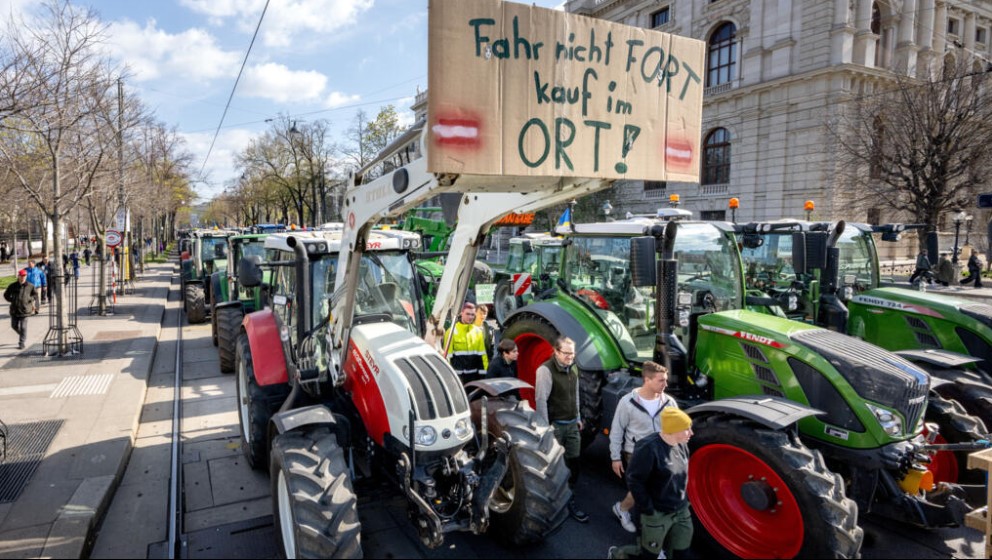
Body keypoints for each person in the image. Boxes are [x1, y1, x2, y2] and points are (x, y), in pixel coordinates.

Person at [608, 407, 694, 560]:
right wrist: (649, 509)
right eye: (686, 429)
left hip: (681, 511)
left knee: (682, 553)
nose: (691, 433)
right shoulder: (648, 448)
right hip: (657, 513)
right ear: (673, 429)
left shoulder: (682, 445)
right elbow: (635, 481)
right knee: (647, 555)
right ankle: (617, 555)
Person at [609, 362, 679, 534]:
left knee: (654, 488)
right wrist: (615, 457)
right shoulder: (627, 402)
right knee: (642, 489)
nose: (666, 384)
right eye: (661, 380)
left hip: (661, 452)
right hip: (636, 453)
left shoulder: (669, 402)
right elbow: (617, 430)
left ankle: (629, 512)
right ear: (647, 380)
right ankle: (626, 512)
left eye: (666, 380)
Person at [535, 336, 589, 523]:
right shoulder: (545, 370)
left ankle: (569, 497)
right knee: (555, 466)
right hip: (556, 426)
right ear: (556, 351)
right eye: (566, 353)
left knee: (574, 463)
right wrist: (545, 428)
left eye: (572, 354)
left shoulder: (573, 368)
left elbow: (575, 395)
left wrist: (578, 418)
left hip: (572, 424)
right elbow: (541, 400)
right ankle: (552, 501)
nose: (570, 357)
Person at [444, 302, 488, 382]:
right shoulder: (451, 332)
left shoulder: (478, 332)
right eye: (467, 314)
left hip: (474, 377)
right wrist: (449, 377)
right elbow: (447, 358)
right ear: (461, 313)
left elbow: (482, 356)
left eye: (472, 314)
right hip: (457, 378)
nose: (470, 317)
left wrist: (484, 376)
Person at [4, 269, 37, 350]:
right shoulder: (13, 286)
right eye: (21, 276)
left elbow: (35, 295)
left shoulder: (30, 286)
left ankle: (21, 343)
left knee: (23, 327)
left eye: (24, 276)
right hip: (14, 309)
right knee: (14, 326)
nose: (23, 278)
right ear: (18, 276)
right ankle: (22, 335)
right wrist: (12, 300)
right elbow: (6, 295)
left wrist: (30, 299)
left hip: (25, 310)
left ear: (26, 276)